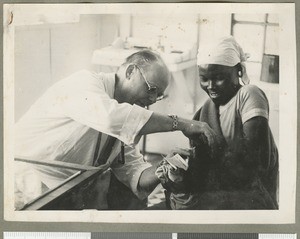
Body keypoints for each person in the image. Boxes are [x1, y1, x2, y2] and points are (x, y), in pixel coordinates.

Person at [14, 49, 217, 210]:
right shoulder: (84, 83)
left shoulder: (125, 123)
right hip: (26, 183)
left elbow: (136, 176)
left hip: (65, 191)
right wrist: (181, 123)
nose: (153, 100)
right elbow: (110, 118)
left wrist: (164, 166)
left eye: (159, 95)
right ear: (130, 72)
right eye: (151, 89)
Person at [157, 36, 278, 210]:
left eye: (219, 77)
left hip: (250, 198)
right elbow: (202, 169)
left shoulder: (248, 95)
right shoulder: (203, 113)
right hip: (220, 195)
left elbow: (256, 162)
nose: (211, 85)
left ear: (238, 70)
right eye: (204, 78)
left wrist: (207, 162)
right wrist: (181, 170)